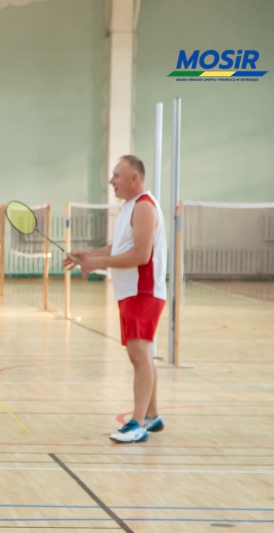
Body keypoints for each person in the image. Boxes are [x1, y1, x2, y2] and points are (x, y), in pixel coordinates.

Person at [63, 155, 167, 443]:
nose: (111, 181)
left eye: (117, 176)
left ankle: (137, 423)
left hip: (143, 292)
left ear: (135, 179)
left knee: (138, 355)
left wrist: (99, 264)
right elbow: (119, 246)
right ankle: (152, 415)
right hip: (131, 292)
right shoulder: (129, 207)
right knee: (142, 354)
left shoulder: (145, 206)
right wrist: (91, 254)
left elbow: (141, 255)